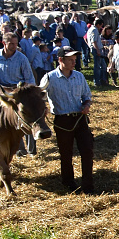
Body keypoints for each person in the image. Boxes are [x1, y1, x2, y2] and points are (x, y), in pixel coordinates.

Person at [40, 47, 95, 194]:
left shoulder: (79, 76)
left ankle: (88, 184)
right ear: (60, 60)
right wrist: (43, 108)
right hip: (62, 121)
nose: (73, 63)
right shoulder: (49, 78)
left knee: (87, 151)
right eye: (70, 60)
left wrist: (87, 105)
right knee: (66, 153)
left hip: (80, 119)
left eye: (75, 60)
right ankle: (68, 182)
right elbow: (39, 96)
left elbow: (87, 96)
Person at [0, 31, 38, 156]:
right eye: (11, 44)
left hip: (20, 92)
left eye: (16, 43)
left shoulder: (21, 58)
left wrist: (30, 93)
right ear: (4, 43)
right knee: (11, 123)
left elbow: (29, 78)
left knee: (28, 119)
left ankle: (31, 150)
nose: (14, 46)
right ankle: (19, 150)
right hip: (5, 94)